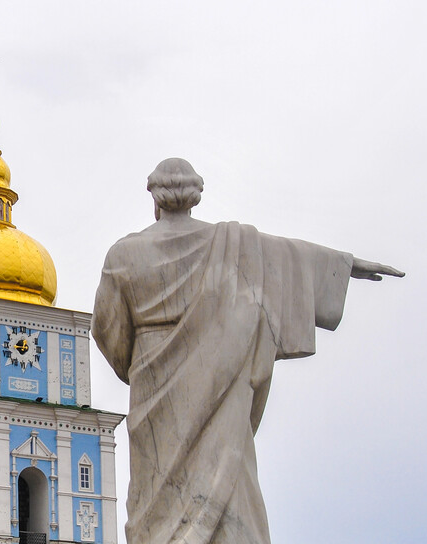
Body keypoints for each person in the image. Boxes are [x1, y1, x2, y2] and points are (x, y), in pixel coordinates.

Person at [92, 158, 403, 544]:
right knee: (231, 492)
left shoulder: (123, 255)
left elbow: (109, 333)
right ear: (195, 197)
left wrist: (142, 365)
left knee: (156, 503)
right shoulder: (236, 246)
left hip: (154, 392)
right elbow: (288, 260)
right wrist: (345, 266)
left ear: (154, 199)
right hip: (222, 379)